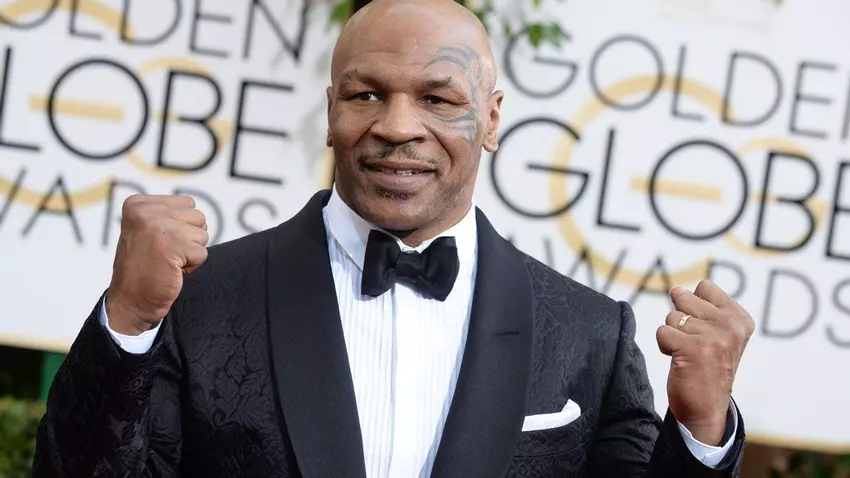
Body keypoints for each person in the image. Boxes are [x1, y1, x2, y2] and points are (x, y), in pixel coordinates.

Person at [33, 0, 755, 476]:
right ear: (330, 112)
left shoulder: (589, 334)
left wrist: (701, 430)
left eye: (438, 99)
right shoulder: (202, 299)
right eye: (367, 94)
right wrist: (127, 322)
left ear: (492, 119)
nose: (398, 126)